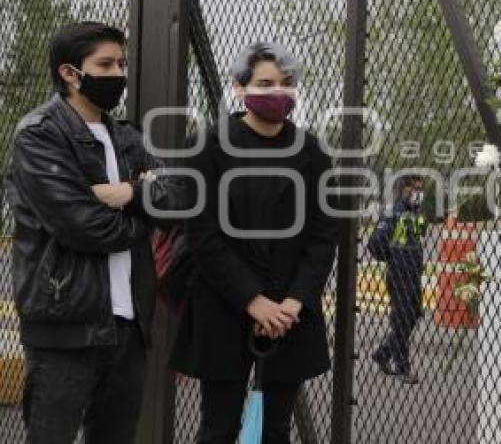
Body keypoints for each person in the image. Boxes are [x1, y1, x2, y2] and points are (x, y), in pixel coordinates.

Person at [5, 22, 185, 443]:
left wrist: (126, 192)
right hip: (66, 327)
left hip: (129, 326)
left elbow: (178, 197)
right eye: (105, 64)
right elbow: (84, 227)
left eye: (122, 63)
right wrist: (145, 203)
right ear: (70, 73)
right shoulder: (40, 134)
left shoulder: (126, 136)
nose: (118, 73)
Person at [170, 42, 337, 443]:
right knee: (219, 427)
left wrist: (294, 301)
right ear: (239, 88)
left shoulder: (312, 152)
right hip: (225, 308)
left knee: (275, 429)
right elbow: (203, 235)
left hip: (289, 315)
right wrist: (252, 299)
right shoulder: (209, 147)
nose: (277, 92)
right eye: (264, 83)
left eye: (286, 83)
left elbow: (323, 234)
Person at [368, 175, 426, 385]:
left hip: (414, 274)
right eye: (415, 189)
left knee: (413, 316)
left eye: (421, 189)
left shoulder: (416, 212)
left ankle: (383, 353)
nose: (419, 194)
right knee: (402, 319)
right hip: (399, 274)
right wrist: (393, 257)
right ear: (404, 190)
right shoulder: (394, 212)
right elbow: (375, 244)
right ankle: (403, 368)